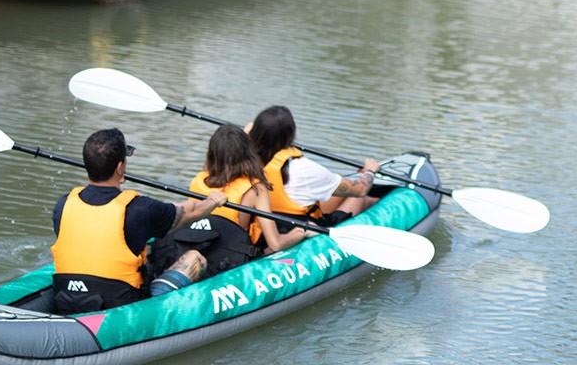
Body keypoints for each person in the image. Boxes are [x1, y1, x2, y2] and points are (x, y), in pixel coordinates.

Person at [51, 127, 226, 314]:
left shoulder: (63, 204)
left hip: (66, 298)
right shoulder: (140, 209)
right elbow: (188, 212)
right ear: (119, 167)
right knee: (194, 258)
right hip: (120, 308)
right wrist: (213, 201)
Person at [161, 125, 308, 275]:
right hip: (230, 258)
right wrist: (300, 232)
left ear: (212, 154)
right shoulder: (255, 189)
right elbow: (276, 244)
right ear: (248, 153)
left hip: (198, 245)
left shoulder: (200, 179)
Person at [247, 105, 381, 225]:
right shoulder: (303, 169)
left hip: (261, 225)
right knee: (360, 199)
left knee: (335, 185)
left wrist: (250, 133)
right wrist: (369, 171)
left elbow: (247, 133)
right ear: (291, 136)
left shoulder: (242, 158)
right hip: (293, 228)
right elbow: (361, 190)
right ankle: (384, 204)